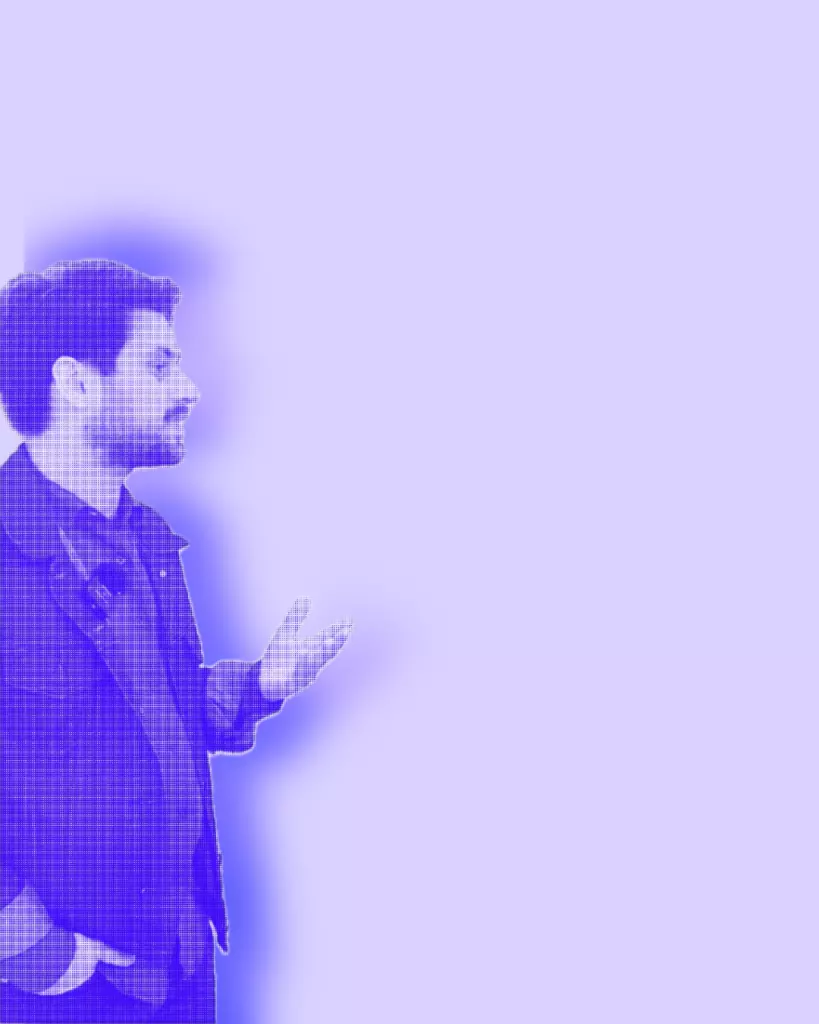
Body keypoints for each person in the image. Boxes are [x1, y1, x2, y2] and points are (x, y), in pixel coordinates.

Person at [0, 259, 352, 1022]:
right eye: (159, 364)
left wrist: (257, 686)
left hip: (180, 964)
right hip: (58, 990)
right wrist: (35, 951)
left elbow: (150, 715)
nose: (188, 389)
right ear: (76, 383)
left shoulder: (148, 540)